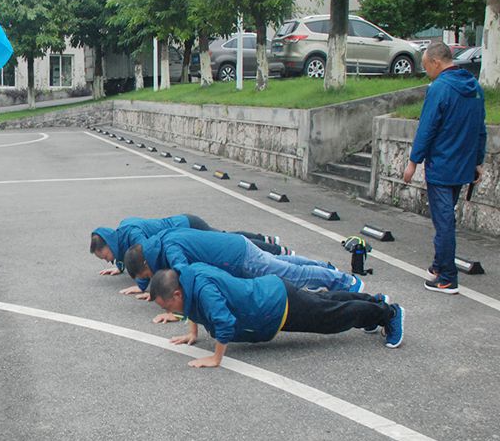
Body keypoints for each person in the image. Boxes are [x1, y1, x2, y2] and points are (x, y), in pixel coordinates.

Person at [146, 264, 405, 369]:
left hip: (275, 306)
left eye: (167, 306)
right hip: (272, 292)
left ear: (177, 293)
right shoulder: (189, 277)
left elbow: (224, 321)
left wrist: (215, 357)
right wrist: (192, 332)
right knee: (325, 303)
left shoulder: (202, 290)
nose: (169, 312)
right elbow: (193, 306)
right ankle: (374, 304)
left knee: (330, 318)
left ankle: (388, 314)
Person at [402, 42, 488, 294]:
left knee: (444, 221)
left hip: (442, 165)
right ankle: (439, 265)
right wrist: (478, 161)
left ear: (437, 62)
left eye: (426, 65)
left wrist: (412, 162)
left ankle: (447, 277)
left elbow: (427, 128)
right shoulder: (474, 87)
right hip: (463, 166)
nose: (425, 69)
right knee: (446, 215)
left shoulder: (439, 88)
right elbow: (480, 129)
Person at [122, 229, 363, 296]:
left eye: (147, 274)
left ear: (146, 263)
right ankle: (325, 268)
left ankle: (345, 281)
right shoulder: (162, 242)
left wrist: (181, 312)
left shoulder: (170, 250)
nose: (152, 275)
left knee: (290, 274)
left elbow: (185, 275)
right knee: (281, 263)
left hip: (238, 257)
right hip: (236, 247)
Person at [90, 215, 291, 282]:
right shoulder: (120, 237)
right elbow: (128, 255)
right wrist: (120, 266)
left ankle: (277, 250)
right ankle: (267, 241)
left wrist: (142, 284)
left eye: (104, 255)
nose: (106, 259)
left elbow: (145, 258)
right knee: (226, 236)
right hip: (181, 232)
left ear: (109, 244)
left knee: (227, 240)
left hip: (187, 226)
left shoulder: (133, 235)